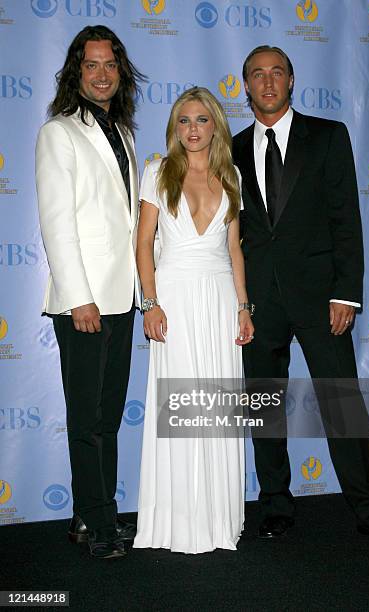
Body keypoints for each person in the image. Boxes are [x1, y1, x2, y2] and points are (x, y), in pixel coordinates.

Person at [233, 45, 369, 544]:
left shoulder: (329, 137)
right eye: (257, 74)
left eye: (277, 73)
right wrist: (239, 300)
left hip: (320, 297)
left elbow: (346, 220)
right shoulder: (232, 147)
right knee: (264, 404)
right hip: (260, 301)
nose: (267, 82)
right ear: (245, 85)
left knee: (341, 403)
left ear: (292, 80)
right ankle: (275, 507)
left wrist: (346, 294)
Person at [35, 25, 146, 559]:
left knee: (107, 418)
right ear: (76, 72)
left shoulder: (123, 133)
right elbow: (57, 225)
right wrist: (80, 297)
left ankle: (88, 516)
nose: (102, 74)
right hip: (85, 303)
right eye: (91, 65)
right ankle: (102, 526)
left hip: (121, 298)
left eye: (110, 64)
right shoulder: (59, 132)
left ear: (119, 71)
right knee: (87, 420)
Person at [133, 86, 254, 554]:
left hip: (220, 298)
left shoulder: (232, 176)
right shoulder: (157, 173)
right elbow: (144, 243)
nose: (193, 129)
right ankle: (176, 522)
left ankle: (217, 520)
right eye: (184, 121)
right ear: (174, 128)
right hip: (176, 299)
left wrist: (243, 307)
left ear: (215, 126)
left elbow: (233, 248)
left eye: (202, 120)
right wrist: (151, 301)